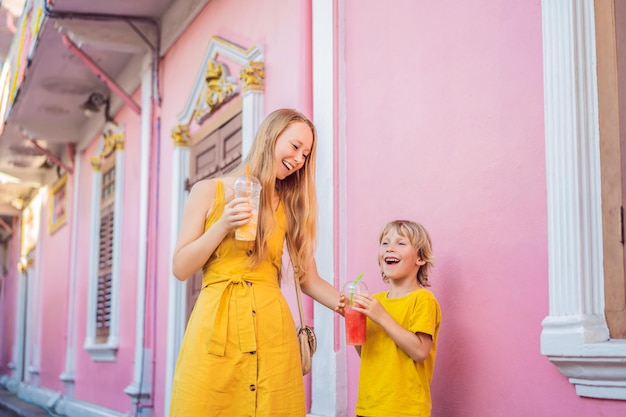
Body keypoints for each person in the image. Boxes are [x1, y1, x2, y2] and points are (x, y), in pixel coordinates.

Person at [169, 108, 343, 417]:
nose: (300, 159)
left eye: (306, 153)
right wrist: (222, 225)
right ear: (270, 137)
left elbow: (309, 280)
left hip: (272, 333)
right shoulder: (209, 191)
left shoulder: (290, 207)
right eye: (295, 146)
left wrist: (352, 307)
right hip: (216, 330)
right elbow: (181, 267)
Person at [350, 220, 441, 417]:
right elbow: (367, 354)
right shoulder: (376, 301)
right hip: (368, 406)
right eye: (385, 243)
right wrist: (352, 319)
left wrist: (382, 317)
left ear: (421, 258)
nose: (390, 248)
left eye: (401, 243)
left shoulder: (423, 299)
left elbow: (420, 351)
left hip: (404, 409)